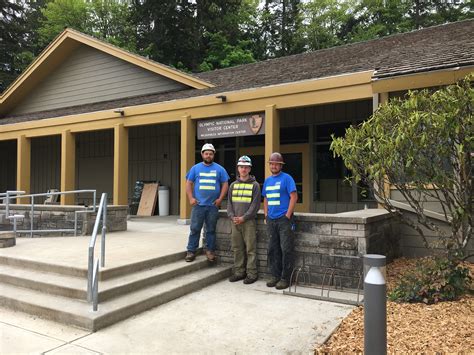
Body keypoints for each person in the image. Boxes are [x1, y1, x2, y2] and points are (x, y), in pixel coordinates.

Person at [185, 143, 229, 262]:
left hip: (212, 206)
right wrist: (190, 198)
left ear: (213, 155)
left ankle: (210, 251)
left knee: (211, 230)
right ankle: (191, 251)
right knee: (195, 229)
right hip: (198, 205)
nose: (208, 155)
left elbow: (225, 183)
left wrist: (220, 199)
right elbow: (188, 183)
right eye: (206, 153)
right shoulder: (195, 168)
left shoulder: (220, 169)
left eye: (210, 153)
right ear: (202, 154)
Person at [262, 152, 298, 290]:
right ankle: (275, 276)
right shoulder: (267, 180)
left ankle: (285, 278)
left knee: (286, 249)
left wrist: (287, 216)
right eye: (271, 163)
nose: (273, 166)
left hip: (284, 219)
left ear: (281, 165)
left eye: (276, 164)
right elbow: (265, 198)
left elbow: (293, 197)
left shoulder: (287, 178)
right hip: (271, 219)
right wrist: (266, 214)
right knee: (272, 248)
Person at [227, 155, 261, 284]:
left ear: (250, 169)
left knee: (250, 249)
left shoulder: (255, 185)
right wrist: (232, 216)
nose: (243, 169)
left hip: (248, 222)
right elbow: (229, 203)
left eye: (246, 167)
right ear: (238, 168)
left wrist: (244, 217)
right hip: (235, 221)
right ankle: (239, 272)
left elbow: (255, 205)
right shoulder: (232, 185)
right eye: (241, 167)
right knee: (237, 248)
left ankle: (252, 274)